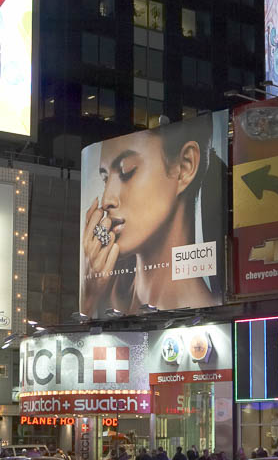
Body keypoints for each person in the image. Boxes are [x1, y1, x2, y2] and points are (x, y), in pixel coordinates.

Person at [80, 114, 222, 316]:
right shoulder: (106, 296)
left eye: (127, 171)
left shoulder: (209, 313)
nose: (107, 200)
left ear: (185, 166)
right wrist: (89, 297)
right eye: (105, 179)